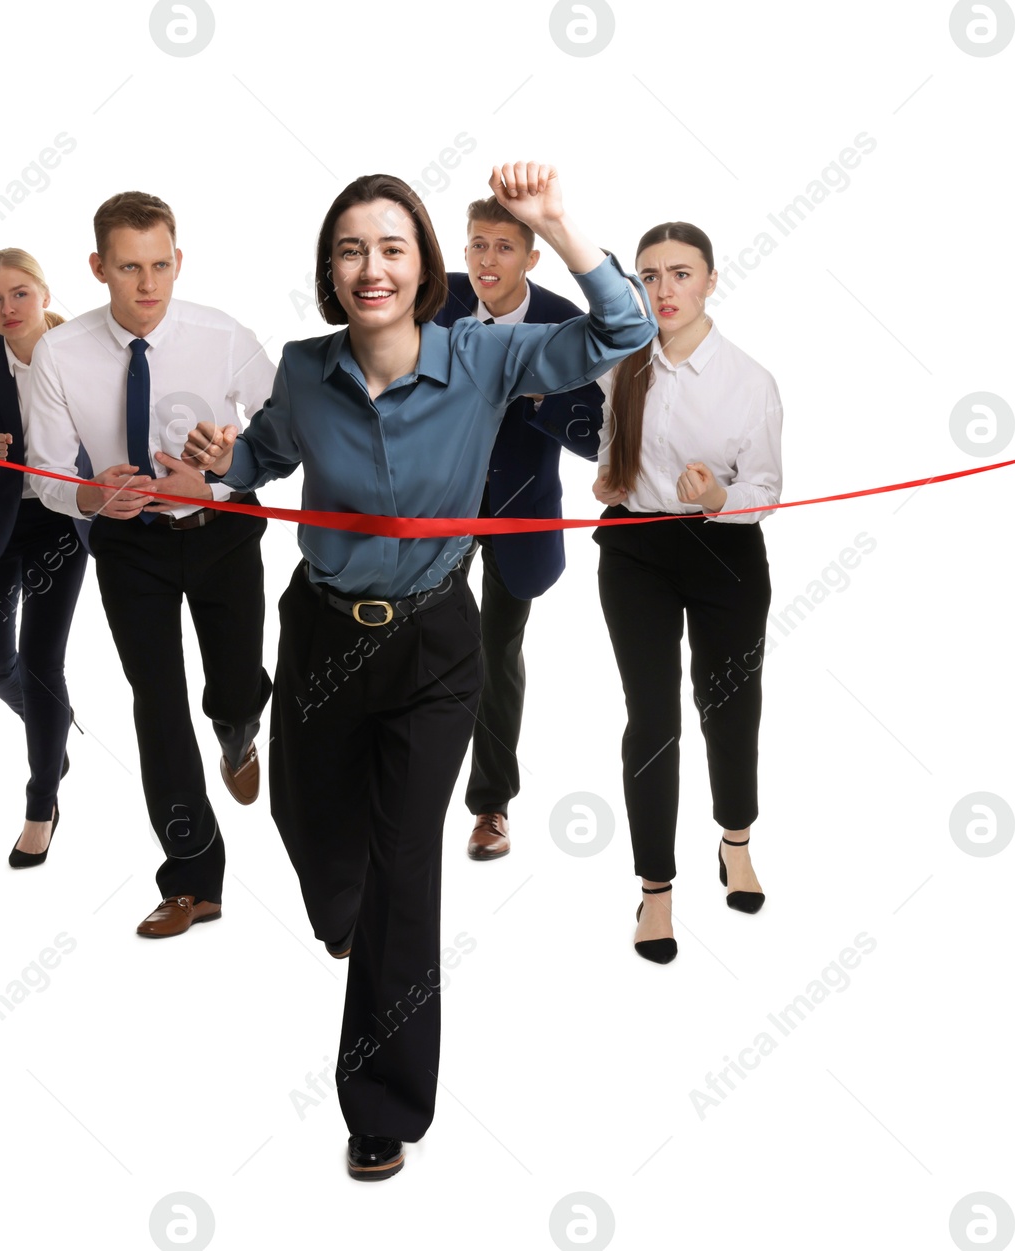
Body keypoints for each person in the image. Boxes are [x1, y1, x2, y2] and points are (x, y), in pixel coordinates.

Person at [188, 163, 652, 1180]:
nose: (372, 267)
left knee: (407, 869)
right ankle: (342, 912)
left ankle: (381, 1106)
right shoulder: (306, 369)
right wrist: (216, 459)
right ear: (329, 268)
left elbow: (621, 335)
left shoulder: (484, 356)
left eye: (392, 247)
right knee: (307, 823)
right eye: (351, 248)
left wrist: (557, 228)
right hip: (320, 635)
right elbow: (259, 455)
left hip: (434, 643)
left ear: (422, 266)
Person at [17, 192, 276, 938]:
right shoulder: (59, 357)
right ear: (98, 268)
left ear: (179, 261)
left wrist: (225, 474)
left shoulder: (222, 335)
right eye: (129, 267)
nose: (147, 284)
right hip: (129, 547)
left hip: (224, 528)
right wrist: (93, 497)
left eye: (161, 264)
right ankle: (193, 879)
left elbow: (287, 427)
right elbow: (45, 471)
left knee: (232, 679)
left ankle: (236, 727)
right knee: (155, 705)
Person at [591, 221, 784, 964]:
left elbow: (767, 486)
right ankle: (656, 889)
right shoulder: (623, 365)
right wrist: (610, 478)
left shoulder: (750, 381)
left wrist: (719, 494)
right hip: (635, 550)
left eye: (679, 274)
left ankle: (735, 841)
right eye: (649, 276)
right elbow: (613, 455)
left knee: (730, 706)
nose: (663, 290)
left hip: (725, 550)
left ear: (709, 280)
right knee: (652, 719)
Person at [432, 196, 605, 860]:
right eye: (477, 244)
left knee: (495, 650)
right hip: (437, 507)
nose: (486, 260)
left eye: (504, 247)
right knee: (427, 645)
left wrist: (538, 393)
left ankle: (491, 805)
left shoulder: (566, 324)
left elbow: (596, 439)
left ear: (532, 257)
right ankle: (406, 792)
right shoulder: (434, 299)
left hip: (520, 511)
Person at [0, 248, 92, 869]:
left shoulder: (85, 354)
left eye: (19, 294)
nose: (7, 309)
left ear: (45, 292)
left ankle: (42, 801)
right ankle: (50, 728)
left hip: (60, 524)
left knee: (40, 663)